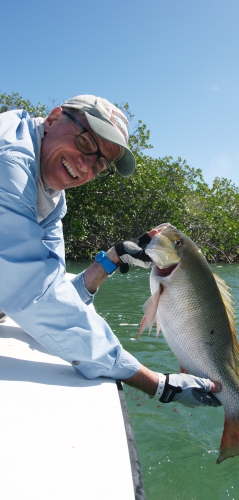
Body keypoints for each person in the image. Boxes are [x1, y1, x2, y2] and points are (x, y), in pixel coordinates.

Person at [0, 95, 221, 407]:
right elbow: (31, 293)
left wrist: (111, 258)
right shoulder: (10, 162)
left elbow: (52, 291)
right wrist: (156, 383)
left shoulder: (51, 199)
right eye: (87, 142)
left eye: (100, 163)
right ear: (52, 119)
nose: (85, 164)